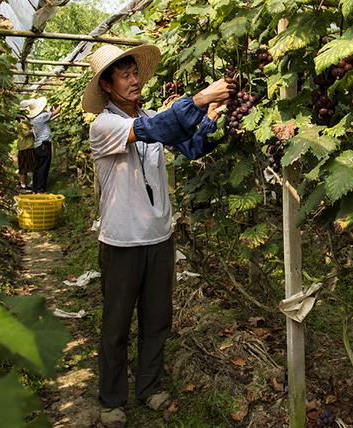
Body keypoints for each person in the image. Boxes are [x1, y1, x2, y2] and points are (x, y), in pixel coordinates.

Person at [81, 44, 235, 428]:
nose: (135, 80)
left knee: (156, 318)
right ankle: (112, 399)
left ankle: (148, 387)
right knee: (116, 323)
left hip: (159, 237)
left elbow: (192, 147)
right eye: (125, 75)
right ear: (107, 84)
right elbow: (156, 129)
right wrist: (199, 99)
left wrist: (210, 118)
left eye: (136, 73)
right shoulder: (104, 125)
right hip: (122, 241)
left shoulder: (150, 115)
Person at [20, 96, 61, 193]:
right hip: (44, 145)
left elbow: (49, 119)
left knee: (38, 168)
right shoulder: (42, 116)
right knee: (44, 167)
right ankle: (40, 190)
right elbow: (56, 111)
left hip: (38, 146)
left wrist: (49, 113)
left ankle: (35, 188)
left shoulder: (33, 119)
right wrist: (61, 104)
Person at [15, 114, 36, 193]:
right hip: (25, 148)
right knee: (24, 166)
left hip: (29, 147)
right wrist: (33, 130)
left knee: (30, 166)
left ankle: (26, 184)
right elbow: (26, 133)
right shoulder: (22, 124)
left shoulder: (26, 124)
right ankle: (23, 185)